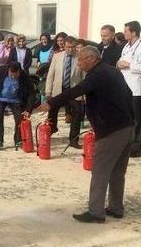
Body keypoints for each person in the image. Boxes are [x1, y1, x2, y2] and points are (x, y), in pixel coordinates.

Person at [36, 46, 134, 223]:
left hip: (111, 129)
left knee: (100, 171)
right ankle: (116, 208)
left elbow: (75, 91)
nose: (78, 63)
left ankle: (96, 212)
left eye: (81, 60)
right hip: (126, 127)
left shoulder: (97, 75)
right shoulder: (113, 71)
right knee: (117, 172)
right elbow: (129, 94)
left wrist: (50, 104)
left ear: (92, 58)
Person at [0, 62, 35, 150]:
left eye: (15, 75)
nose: (13, 77)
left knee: (19, 118)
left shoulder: (24, 76)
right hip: (1, 98)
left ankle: (18, 140)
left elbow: (31, 93)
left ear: (19, 72)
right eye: (11, 75)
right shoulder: (1, 70)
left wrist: (28, 109)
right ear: (8, 70)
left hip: (16, 99)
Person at [117, 21, 141, 157]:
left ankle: (136, 148)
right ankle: (126, 144)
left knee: (137, 120)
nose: (124, 33)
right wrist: (119, 63)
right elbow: (121, 60)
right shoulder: (126, 46)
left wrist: (129, 65)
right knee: (126, 118)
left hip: (136, 88)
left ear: (134, 32)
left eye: (126, 31)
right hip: (124, 86)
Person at [45, 36, 86, 148]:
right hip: (58, 90)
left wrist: (84, 95)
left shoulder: (80, 58)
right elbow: (50, 75)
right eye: (68, 47)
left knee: (77, 113)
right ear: (64, 45)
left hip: (74, 91)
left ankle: (73, 140)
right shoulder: (57, 56)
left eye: (73, 47)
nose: (70, 49)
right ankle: (51, 130)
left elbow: (84, 77)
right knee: (52, 112)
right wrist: (48, 92)